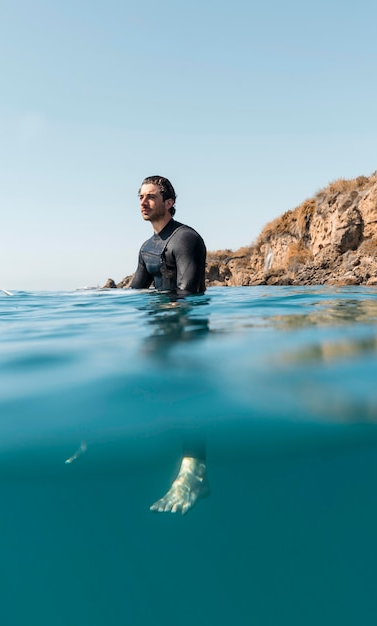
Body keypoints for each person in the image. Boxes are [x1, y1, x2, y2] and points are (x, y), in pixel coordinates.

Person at [131, 176, 209, 515]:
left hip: (187, 335)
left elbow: (188, 295)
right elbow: (134, 295)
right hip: (160, 332)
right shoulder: (147, 248)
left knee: (185, 397)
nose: (144, 202)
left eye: (151, 196)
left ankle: (195, 472)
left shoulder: (186, 239)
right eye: (140, 197)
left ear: (170, 202)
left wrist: (169, 333)